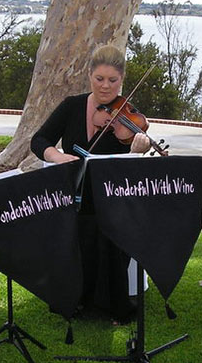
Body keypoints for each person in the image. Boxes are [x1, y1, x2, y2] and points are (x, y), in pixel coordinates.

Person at [31, 44, 151, 324]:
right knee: (76, 224)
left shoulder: (127, 115)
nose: (106, 87)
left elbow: (129, 170)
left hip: (110, 196)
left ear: (122, 79)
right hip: (72, 192)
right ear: (89, 76)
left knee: (105, 225)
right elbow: (39, 140)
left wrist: (137, 149)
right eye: (99, 79)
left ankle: (110, 301)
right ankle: (76, 297)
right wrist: (57, 156)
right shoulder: (71, 106)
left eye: (113, 80)